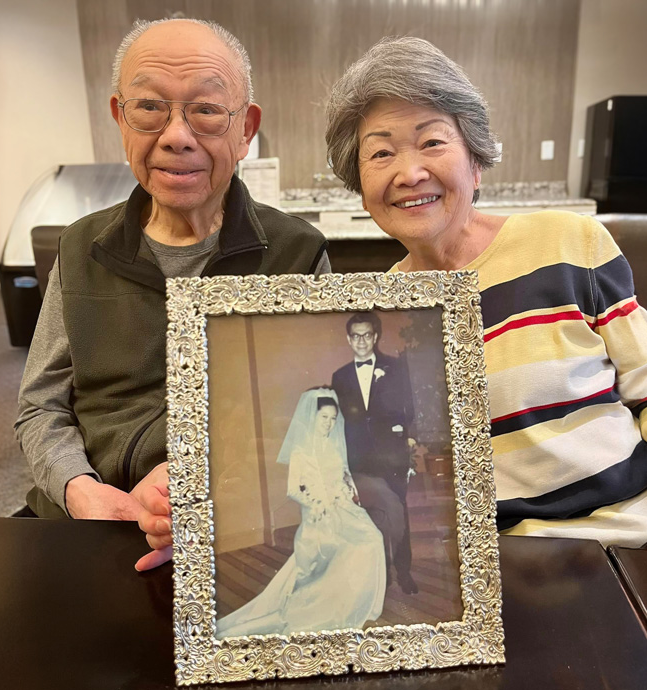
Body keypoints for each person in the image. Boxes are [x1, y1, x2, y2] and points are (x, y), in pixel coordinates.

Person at [324, 36, 647, 547]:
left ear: (475, 161)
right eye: (381, 153)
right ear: (360, 185)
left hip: (622, 537)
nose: (409, 173)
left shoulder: (569, 244)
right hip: (485, 567)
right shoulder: (384, 308)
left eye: (432, 142)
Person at [15, 18, 329, 521]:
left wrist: (203, 482)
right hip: (91, 516)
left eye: (205, 110)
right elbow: (41, 406)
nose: (176, 136)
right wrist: (81, 491)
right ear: (121, 117)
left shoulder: (297, 253)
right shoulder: (80, 248)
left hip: (235, 520)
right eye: (149, 108)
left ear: (245, 129)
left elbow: (314, 413)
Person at [215, 389, 386, 638]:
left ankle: (362, 604)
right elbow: (293, 489)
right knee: (342, 552)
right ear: (312, 418)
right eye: (323, 417)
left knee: (373, 539)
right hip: (319, 512)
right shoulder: (302, 452)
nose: (328, 423)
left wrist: (350, 490)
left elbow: (344, 474)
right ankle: (330, 607)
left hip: (344, 508)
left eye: (332, 418)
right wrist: (315, 503)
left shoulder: (335, 446)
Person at [331, 312, 418, 594]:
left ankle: (404, 572)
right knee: (370, 516)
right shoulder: (340, 376)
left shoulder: (394, 368)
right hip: (360, 457)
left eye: (367, 335)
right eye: (356, 335)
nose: (362, 341)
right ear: (348, 339)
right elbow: (341, 420)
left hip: (391, 454)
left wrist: (406, 437)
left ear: (375, 336)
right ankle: (381, 575)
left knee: (397, 511)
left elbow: (409, 407)